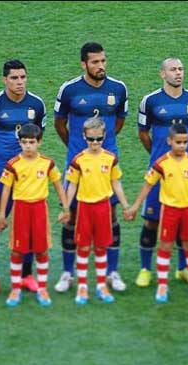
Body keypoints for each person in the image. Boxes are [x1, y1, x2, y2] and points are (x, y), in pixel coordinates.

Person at [53, 42, 129, 295]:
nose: (101, 66)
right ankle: (67, 273)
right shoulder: (69, 90)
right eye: (95, 62)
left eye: (103, 61)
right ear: (83, 64)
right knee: (71, 217)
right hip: (77, 163)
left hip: (107, 163)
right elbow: (60, 124)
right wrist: (77, 148)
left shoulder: (118, 88)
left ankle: (112, 272)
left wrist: (103, 149)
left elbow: (118, 122)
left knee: (111, 215)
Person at [0, 59, 46, 295]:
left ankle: (27, 275)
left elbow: (38, 137)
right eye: (14, 78)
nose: (20, 82)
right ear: (4, 79)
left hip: (28, 177)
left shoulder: (36, 105)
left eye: (23, 77)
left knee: (26, 225)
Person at [125, 124, 188, 303]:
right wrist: (135, 206)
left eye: (185, 142)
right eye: (178, 142)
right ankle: (162, 285)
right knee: (165, 246)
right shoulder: (161, 163)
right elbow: (148, 186)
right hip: (169, 211)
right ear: (169, 141)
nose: (182, 146)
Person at [135, 58, 188, 287]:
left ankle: (182, 269)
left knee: (187, 221)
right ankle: (145, 269)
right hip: (159, 171)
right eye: (173, 69)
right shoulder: (150, 101)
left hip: (185, 172)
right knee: (152, 222)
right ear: (162, 74)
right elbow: (143, 133)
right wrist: (158, 155)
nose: (178, 73)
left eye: (181, 69)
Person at [0, 123, 68, 308]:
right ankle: (15, 289)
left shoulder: (47, 163)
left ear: (39, 142)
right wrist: (2, 213)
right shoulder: (13, 164)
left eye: (32, 142)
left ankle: (42, 288)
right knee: (18, 250)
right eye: (24, 142)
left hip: (39, 209)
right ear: (19, 142)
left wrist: (66, 208)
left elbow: (58, 185)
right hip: (20, 209)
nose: (28, 146)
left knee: (41, 249)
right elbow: (6, 191)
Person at [62, 118, 130, 305]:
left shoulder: (110, 159)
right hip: (84, 208)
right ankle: (82, 286)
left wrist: (125, 206)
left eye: (99, 139)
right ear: (84, 136)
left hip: (103, 208)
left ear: (104, 136)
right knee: (83, 247)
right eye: (91, 139)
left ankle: (101, 285)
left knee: (101, 247)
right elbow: (71, 186)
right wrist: (66, 208)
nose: (95, 143)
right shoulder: (78, 160)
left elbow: (116, 183)